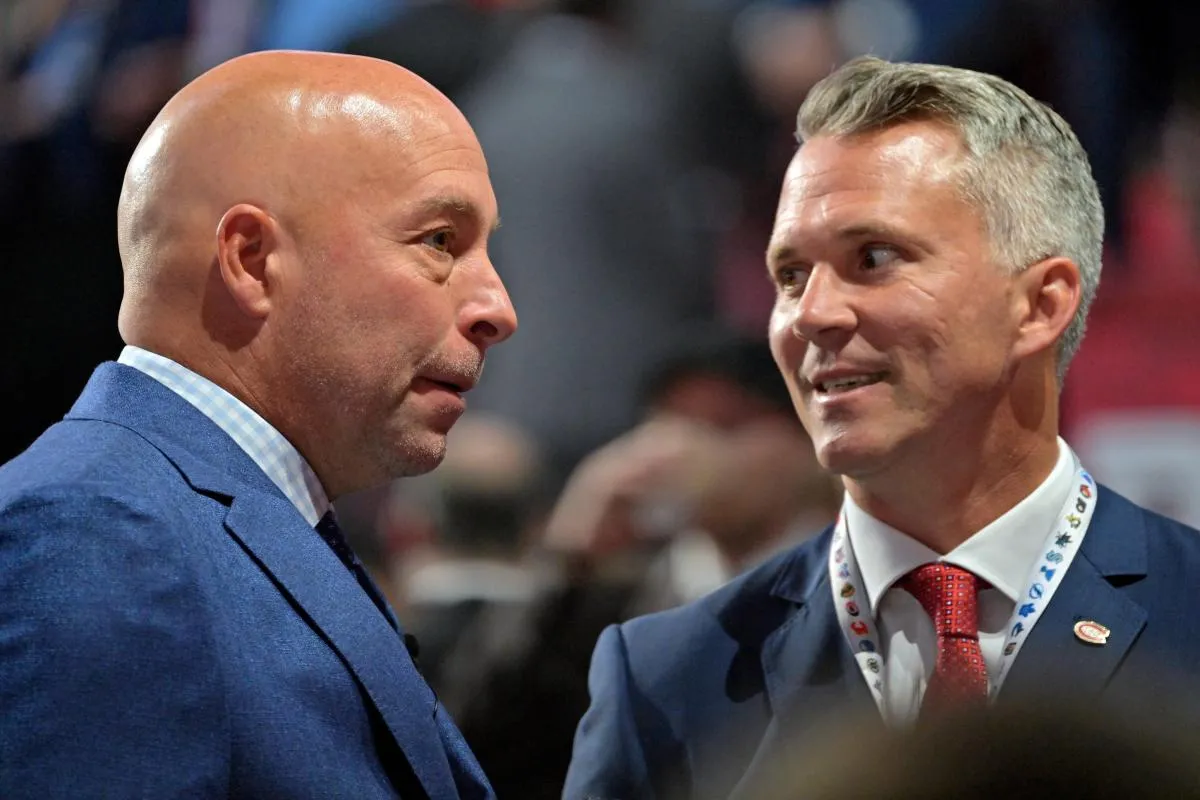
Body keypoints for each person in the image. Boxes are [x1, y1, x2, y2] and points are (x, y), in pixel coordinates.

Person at [564, 56, 1200, 800]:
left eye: (873, 258)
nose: (812, 315)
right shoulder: (666, 676)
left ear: (1040, 304)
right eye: (791, 275)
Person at [0, 50, 516, 798]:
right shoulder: (94, 531)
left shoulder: (195, 520)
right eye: (440, 241)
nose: (498, 308)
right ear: (251, 260)